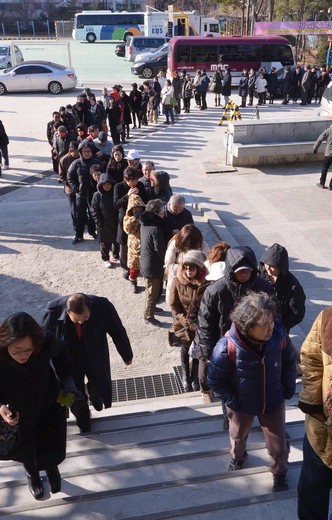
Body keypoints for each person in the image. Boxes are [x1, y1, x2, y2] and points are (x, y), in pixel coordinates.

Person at [207, 292, 296, 491]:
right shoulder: (227, 347)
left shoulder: (279, 337)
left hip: (273, 401)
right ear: (248, 326)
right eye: (264, 325)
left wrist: (288, 386)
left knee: (279, 446)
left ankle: (280, 472)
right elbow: (214, 380)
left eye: (272, 322)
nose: (270, 328)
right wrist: (233, 400)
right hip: (241, 405)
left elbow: (291, 360)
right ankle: (238, 457)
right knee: (238, 435)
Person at [0, 312, 76, 499]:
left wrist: (66, 380)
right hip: (18, 410)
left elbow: (62, 354)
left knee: (50, 442)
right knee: (27, 446)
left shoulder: (45, 341)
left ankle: (52, 470)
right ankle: (32, 475)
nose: (24, 355)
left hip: (48, 402)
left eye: (29, 349)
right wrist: (0, 406)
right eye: (17, 350)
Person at [42, 293, 133, 434]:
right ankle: (83, 420)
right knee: (73, 395)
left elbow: (117, 331)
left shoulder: (103, 306)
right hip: (67, 361)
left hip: (94, 356)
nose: (81, 322)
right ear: (67, 313)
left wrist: (126, 354)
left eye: (85, 318)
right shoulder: (52, 311)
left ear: (90, 308)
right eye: (76, 320)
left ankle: (95, 395)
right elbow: (44, 341)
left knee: (98, 383)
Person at [196, 246, 272, 411]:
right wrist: (210, 354)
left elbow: (274, 318)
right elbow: (205, 324)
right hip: (227, 347)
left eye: (247, 271)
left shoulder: (263, 287)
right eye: (240, 271)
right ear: (231, 271)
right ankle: (230, 417)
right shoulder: (215, 291)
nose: (244, 275)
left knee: (257, 383)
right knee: (229, 385)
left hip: (256, 346)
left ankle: (262, 416)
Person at [297, 307, 332, 520]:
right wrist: (313, 406)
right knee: (311, 491)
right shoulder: (328, 317)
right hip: (320, 429)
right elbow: (311, 358)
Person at [169, 250, 207, 392]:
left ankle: (196, 377)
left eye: (192, 268)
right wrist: (183, 320)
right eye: (186, 268)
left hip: (200, 323)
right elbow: (173, 304)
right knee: (185, 348)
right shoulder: (177, 280)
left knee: (198, 350)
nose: (188, 271)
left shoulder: (205, 283)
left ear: (199, 269)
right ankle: (185, 376)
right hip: (184, 322)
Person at [259, 243, 306, 332]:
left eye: (272, 266)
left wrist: (281, 326)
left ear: (281, 267)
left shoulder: (293, 286)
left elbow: (298, 313)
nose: (268, 268)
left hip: (277, 329)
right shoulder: (258, 276)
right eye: (266, 264)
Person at [113, 166, 147, 279]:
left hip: (139, 221)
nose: (134, 183)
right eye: (131, 180)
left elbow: (146, 201)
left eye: (136, 180)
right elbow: (116, 204)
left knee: (137, 246)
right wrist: (127, 196)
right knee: (124, 246)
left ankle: (138, 267)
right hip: (125, 221)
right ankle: (125, 268)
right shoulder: (118, 187)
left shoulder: (140, 186)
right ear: (125, 179)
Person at [140, 199, 169, 325]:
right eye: (162, 209)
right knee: (152, 292)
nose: (164, 210)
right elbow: (160, 250)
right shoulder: (155, 229)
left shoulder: (145, 224)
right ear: (156, 212)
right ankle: (148, 316)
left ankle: (152, 309)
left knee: (153, 290)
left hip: (147, 262)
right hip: (153, 265)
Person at [164, 224, 209, 305]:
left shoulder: (203, 246)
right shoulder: (175, 243)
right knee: (176, 307)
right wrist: (184, 271)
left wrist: (197, 273)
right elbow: (168, 264)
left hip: (196, 285)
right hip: (177, 283)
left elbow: (207, 266)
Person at [67, 141, 100, 244]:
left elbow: (102, 174)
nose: (87, 153)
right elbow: (70, 176)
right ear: (81, 152)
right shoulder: (76, 163)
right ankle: (79, 235)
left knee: (92, 214)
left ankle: (92, 232)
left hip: (93, 194)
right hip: (80, 195)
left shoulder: (96, 162)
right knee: (79, 215)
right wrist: (76, 188)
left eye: (88, 151)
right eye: (84, 151)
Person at [90, 173, 118, 268]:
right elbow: (93, 210)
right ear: (101, 184)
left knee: (115, 240)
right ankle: (105, 258)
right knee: (104, 242)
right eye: (105, 184)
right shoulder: (97, 195)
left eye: (109, 184)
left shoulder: (115, 194)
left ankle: (115, 255)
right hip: (102, 223)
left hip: (114, 222)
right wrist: (98, 222)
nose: (107, 186)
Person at [123, 193, 146, 293]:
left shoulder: (146, 215)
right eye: (134, 209)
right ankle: (133, 281)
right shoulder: (127, 218)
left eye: (139, 208)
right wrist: (134, 218)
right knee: (134, 268)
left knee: (146, 266)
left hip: (145, 244)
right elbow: (127, 229)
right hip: (134, 246)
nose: (137, 210)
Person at [313, 123, 332, 189]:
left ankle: (322, 183)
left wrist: (315, 149)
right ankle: (331, 186)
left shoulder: (327, 131)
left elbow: (319, 140)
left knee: (325, 169)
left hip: (328, 154)